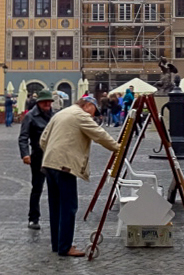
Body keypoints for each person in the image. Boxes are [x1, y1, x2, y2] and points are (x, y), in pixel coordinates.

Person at [39, 95, 123, 257]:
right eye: (93, 110)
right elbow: (99, 134)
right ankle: (65, 247)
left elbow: (43, 139)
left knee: (55, 206)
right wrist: (118, 147)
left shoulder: (61, 113)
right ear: (87, 105)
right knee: (69, 207)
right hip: (65, 166)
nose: (93, 114)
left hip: (49, 164)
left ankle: (57, 244)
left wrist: (52, 155)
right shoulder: (80, 115)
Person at [18, 90, 57, 230]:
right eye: (44, 101)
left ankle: (56, 217)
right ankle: (33, 218)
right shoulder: (30, 116)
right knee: (37, 188)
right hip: (38, 156)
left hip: (54, 156)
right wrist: (25, 154)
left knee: (56, 188)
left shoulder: (55, 116)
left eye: (49, 101)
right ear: (38, 102)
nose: (47, 104)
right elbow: (23, 137)